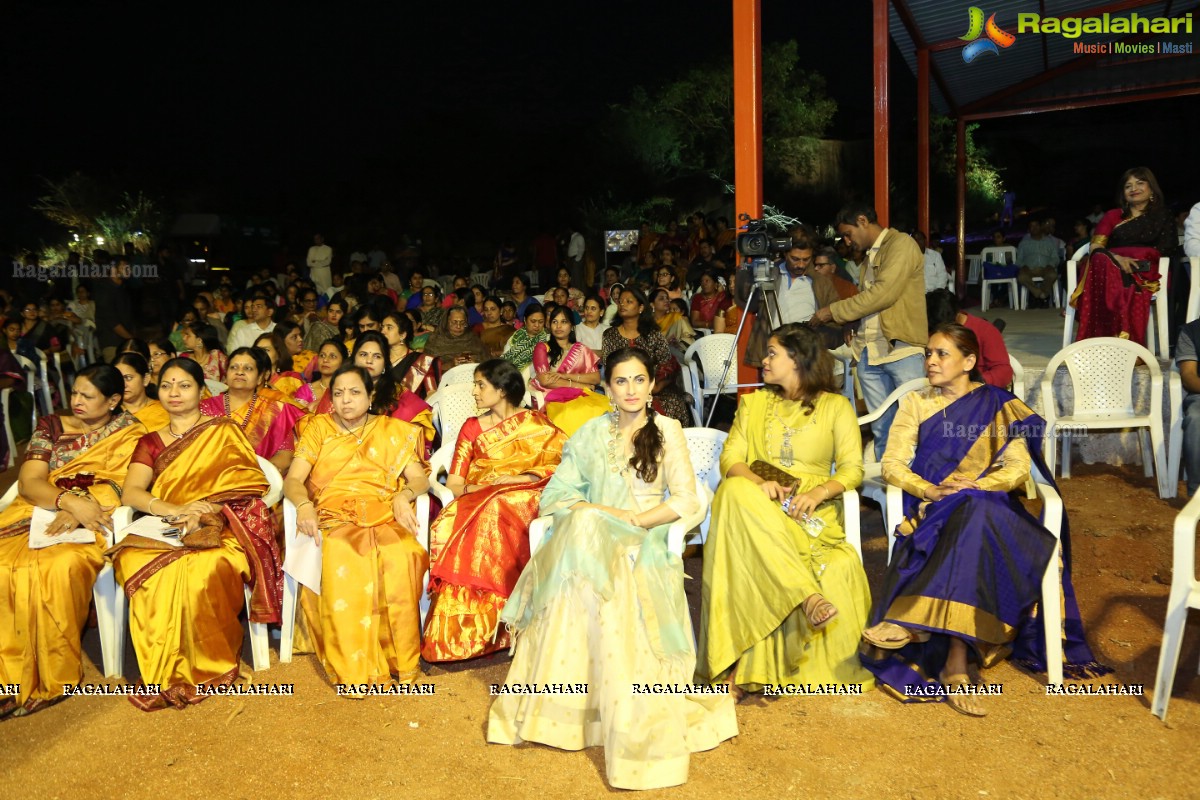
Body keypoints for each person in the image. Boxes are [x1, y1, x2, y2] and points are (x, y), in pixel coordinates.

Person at [489, 348, 737, 789]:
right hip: (595, 533)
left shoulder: (668, 430)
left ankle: (629, 714)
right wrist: (603, 513)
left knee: (591, 543)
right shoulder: (588, 434)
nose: (630, 390)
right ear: (606, 387)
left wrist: (636, 520)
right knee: (584, 527)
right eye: (621, 381)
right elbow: (557, 496)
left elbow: (685, 500)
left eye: (639, 380)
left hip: (648, 534)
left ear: (651, 385)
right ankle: (566, 710)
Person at [859, 324, 1108, 716]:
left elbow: (1016, 467)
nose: (931, 361)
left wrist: (973, 486)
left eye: (942, 354)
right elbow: (891, 464)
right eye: (929, 353)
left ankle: (919, 622)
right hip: (937, 507)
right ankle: (954, 661)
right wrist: (932, 490)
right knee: (968, 518)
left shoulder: (999, 404)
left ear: (969, 362)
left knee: (976, 511)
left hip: (992, 508)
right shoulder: (916, 404)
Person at [698, 325, 871, 695]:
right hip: (756, 499)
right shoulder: (755, 404)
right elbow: (730, 458)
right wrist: (759, 484)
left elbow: (853, 469)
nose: (764, 359)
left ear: (798, 359)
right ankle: (806, 596)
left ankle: (744, 665)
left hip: (809, 508)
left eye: (773, 352)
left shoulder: (836, 407)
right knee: (733, 491)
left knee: (738, 510)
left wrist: (821, 492)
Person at [114, 357, 280, 710]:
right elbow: (132, 493)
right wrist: (174, 509)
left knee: (204, 569)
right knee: (140, 565)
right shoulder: (149, 441)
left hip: (219, 526)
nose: (174, 392)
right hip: (163, 526)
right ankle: (163, 672)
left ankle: (208, 665)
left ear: (201, 390)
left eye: (184, 385)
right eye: (167, 385)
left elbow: (249, 484)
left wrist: (206, 508)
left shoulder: (223, 431)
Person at [0, 365, 147, 717]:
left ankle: (51, 678)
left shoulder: (132, 433)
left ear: (113, 400)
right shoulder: (50, 426)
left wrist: (85, 505)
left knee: (56, 566)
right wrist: (68, 501)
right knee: (5, 565)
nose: (77, 401)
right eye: (75, 393)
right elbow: (30, 481)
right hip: (37, 509)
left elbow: (125, 485)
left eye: (88, 396)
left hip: (98, 517)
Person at [285, 365, 430, 692]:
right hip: (336, 513)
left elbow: (419, 478)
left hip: (383, 508)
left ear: (370, 396)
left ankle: (399, 659)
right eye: (338, 393)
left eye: (354, 393)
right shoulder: (318, 429)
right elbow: (293, 480)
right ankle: (358, 664)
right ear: (330, 399)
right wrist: (304, 505)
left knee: (402, 552)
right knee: (346, 554)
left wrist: (403, 496)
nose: (345, 400)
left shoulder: (392, 430)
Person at [421, 359, 565, 662]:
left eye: (480, 385)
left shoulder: (536, 424)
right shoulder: (472, 427)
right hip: (483, 498)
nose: (474, 391)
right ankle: (472, 634)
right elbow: (457, 483)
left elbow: (564, 464)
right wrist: (484, 489)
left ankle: (510, 621)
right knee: (480, 511)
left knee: (500, 506)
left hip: (527, 495)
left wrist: (518, 478)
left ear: (501, 390)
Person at [812, 202, 928, 457]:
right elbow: (870, 304)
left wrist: (832, 311)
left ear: (863, 221)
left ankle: (919, 492)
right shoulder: (870, 256)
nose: (847, 241)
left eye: (848, 233)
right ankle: (891, 493)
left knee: (916, 427)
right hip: (869, 352)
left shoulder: (901, 245)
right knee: (883, 431)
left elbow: (882, 295)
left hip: (901, 350)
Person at [1071, 167, 1180, 345]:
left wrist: (1136, 258)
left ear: (1151, 188)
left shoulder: (1162, 215)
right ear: (1123, 193)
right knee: (1099, 257)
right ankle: (1100, 342)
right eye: (1128, 186)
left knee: (1115, 270)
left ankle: (1124, 343)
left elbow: (1167, 248)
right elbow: (1096, 246)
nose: (1133, 188)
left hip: (1145, 271)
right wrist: (1117, 260)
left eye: (1139, 183)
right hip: (1108, 269)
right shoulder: (1113, 215)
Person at [200, 347, 305, 475]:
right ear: (226, 375)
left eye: (248, 368)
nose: (240, 372)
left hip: (258, 481)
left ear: (260, 378)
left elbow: (285, 453)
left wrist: (256, 475)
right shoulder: (205, 407)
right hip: (210, 478)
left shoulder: (273, 410)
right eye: (234, 367)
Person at [601, 287, 692, 425]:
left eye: (629, 301)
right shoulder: (610, 335)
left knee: (671, 402)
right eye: (620, 302)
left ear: (641, 308)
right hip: (623, 388)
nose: (622, 304)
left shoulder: (652, 333)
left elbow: (667, 364)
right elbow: (609, 367)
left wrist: (655, 386)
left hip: (655, 388)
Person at [350, 332, 435, 456]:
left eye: (377, 356)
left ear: (385, 363)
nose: (369, 360)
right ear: (354, 359)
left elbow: (414, 448)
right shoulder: (340, 391)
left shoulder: (402, 399)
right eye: (363, 354)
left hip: (387, 463)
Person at [531, 306, 610, 435]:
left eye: (564, 322)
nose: (558, 326)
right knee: (571, 414)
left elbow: (595, 378)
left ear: (572, 326)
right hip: (553, 396)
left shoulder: (581, 349)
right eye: (554, 322)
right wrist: (580, 385)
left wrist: (566, 375)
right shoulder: (542, 348)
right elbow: (545, 380)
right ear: (549, 325)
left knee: (602, 408)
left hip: (580, 395)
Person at [925, 289, 1013, 389]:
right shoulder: (932, 329)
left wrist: (975, 384)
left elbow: (1003, 371)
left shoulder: (985, 330)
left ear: (957, 315)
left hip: (977, 391)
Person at [381, 311, 439, 398]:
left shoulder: (422, 361)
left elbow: (432, 394)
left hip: (411, 410)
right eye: (382, 327)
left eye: (389, 328)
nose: (383, 332)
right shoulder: (378, 358)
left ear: (403, 335)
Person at [423, 306, 489, 374]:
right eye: (454, 322)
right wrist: (450, 364)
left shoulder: (473, 338)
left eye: (462, 323)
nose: (458, 326)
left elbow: (488, 362)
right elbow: (426, 368)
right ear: (447, 322)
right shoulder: (435, 340)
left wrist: (475, 363)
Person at [254, 330, 312, 405]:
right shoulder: (249, 378)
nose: (260, 354)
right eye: (257, 350)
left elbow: (300, 410)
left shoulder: (292, 380)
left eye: (266, 350)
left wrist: (276, 393)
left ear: (278, 353)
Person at [92, 262, 135, 362]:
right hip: (113, 344)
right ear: (113, 269)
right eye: (124, 266)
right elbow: (113, 322)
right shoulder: (104, 291)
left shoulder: (122, 288)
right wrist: (132, 339)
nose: (128, 269)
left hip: (126, 341)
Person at [114, 352, 170, 430]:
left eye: (128, 378)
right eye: (118, 379)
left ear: (145, 379)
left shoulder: (165, 410)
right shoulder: (108, 415)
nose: (123, 384)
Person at [1016, 219, 1061, 307]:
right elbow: (1018, 260)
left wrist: (1050, 265)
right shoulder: (1023, 243)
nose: (1035, 228)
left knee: (1053, 275)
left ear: (1041, 227)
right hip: (1029, 269)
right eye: (1032, 226)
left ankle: (1037, 295)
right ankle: (1042, 295)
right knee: (1021, 277)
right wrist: (1023, 266)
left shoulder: (1049, 242)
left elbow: (1056, 258)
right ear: (1029, 230)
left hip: (1045, 268)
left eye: (1036, 225)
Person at [303, 338, 348, 416]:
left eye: (333, 356)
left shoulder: (349, 391)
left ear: (343, 362)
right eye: (322, 355)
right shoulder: (305, 391)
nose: (325, 360)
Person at [501, 303, 548, 372]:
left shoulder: (547, 339)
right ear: (525, 320)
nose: (537, 325)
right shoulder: (516, 336)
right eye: (533, 321)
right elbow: (505, 356)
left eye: (541, 322)